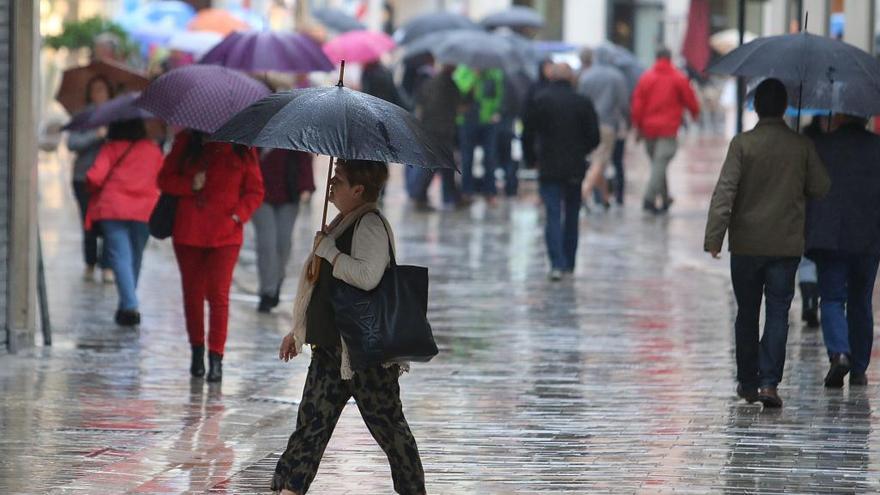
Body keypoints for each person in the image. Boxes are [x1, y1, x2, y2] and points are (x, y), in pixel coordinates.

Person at [273, 159, 425, 495]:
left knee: (390, 431)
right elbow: (317, 286)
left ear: (358, 190)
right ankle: (288, 489)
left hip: (364, 355)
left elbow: (368, 277)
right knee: (311, 426)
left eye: (338, 180)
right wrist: (298, 331)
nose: (331, 185)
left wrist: (329, 252)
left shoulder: (369, 224)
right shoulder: (344, 220)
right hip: (331, 348)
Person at [704, 78, 830, 408]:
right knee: (778, 313)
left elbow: (725, 192)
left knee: (746, 312)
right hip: (785, 246)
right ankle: (770, 383)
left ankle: (747, 382)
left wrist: (714, 237)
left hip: (746, 245)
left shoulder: (742, 144)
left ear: (756, 107)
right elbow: (821, 187)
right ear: (784, 107)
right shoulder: (800, 146)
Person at [158, 130, 264, 382]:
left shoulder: (242, 145)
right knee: (193, 295)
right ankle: (197, 352)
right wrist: (190, 183)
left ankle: (216, 358)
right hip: (188, 231)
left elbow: (255, 190)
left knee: (219, 295)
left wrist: (238, 215)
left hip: (225, 234)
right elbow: (164, 179)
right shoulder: (186, 141)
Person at [806, 114, 880, 388]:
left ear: (839, 116)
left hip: (831, 236)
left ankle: (839, 353)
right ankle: (859, 368)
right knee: (861, 301)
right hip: (869, 238)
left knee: (832, 298)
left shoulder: (821, 146)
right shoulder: (876, 147)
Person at [522, 63, 600, 281]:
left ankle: (556, 263)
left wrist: (532, 159)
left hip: (548, 166)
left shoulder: (541, 100)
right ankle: (569, 261)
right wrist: (582, 150)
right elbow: (594, 137)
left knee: (553, 214)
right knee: (572, 214)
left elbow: (527, 132)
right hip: (574, 166)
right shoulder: (582, 102)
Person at [85, 118, 163, 326]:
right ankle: (128, 304)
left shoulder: (110, 148)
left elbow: (95, 177)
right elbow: (162, 178)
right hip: (145, 211)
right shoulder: (152, 150)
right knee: (135, 257)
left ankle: (128, 305)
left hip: (113, 208)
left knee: (120, 257)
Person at [631, 47, 699, 213]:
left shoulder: (646, 78)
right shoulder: (678, 77)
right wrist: (695, 114)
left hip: (649, 129)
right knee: (659, 165)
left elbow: (637, 104)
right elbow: (690, 99)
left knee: (657, 164)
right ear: (670, 58)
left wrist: (638, 127)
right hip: (668, 128)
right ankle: (649, 198)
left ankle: (665, 198)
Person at [68, 75, 114, 283]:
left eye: (103, 90)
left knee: (108, 221)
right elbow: (72, 143)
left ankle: (107, 264)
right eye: (95, 90)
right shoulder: (82, 116)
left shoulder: (117, 117)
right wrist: (95, 135)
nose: (99, 94)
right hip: (83, 177)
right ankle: (89, 262)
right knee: (88, 221)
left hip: (109, 178)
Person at [253, 149, 312, 313]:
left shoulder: (292, 129)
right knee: (267, 244)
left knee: (283, 244)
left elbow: (303, 157)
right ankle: (267, 292)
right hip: (260, 194)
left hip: (289, 195)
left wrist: (306, 187)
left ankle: (277, 281)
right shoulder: (256, 131)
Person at [577, 47, 629, 210]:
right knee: (600, 161)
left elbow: (580, 100)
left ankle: (604, 196)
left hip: (587, 124)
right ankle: (584, 192)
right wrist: (627, 122)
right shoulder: (616, 76)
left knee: (597, 160)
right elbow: (623, 104)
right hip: (607, 124)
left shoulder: (586, 76)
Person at [409, 63, 462, 210]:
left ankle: (452, 197)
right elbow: (461, 106)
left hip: (429, 128)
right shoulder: (451, 85)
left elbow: (420, 102)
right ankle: (420, 195)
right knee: (437, 164)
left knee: (442, 164)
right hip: (443, 130)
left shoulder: (430, 82)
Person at [454, 66, 504, 200]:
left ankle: (490, 190)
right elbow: (460, 91)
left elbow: (498, 95)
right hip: (467, 120)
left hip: (488, 121)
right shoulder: (463, 72)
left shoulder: (494, 74)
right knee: (467, 157)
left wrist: (496, 112)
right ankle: (467, 190)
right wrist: (473, 77)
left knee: (490, 157)